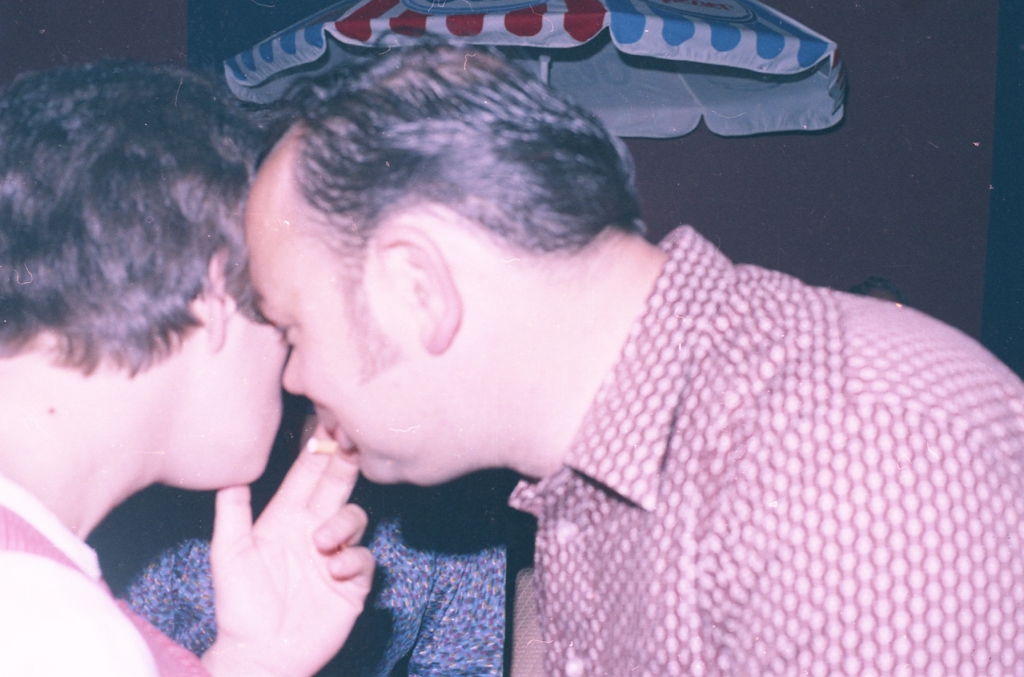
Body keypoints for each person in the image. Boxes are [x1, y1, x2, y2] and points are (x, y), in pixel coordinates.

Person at [243, 44, 1024, 675]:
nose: (292, 377)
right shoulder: (596, 478)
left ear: (418, 287)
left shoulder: (849, 467)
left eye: (292, 328)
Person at [0, 61, 374, 677]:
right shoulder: (50, 625)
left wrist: (254, 663)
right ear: (216, 292)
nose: (292, 378)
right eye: (282, 321)